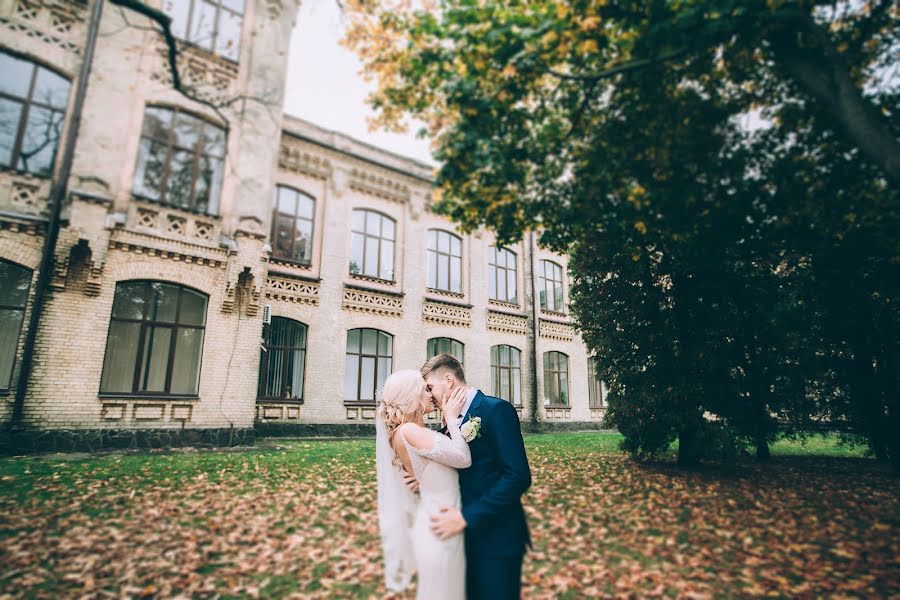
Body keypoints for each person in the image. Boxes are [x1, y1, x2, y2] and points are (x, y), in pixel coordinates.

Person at [422, 354, 532, 600]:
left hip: (497, 541)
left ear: (448, 380)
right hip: (459, 544)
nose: (430, 397)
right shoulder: (446, 426)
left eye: (430, 388)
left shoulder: (496, 410)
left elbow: (517, 476)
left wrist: (466, 517)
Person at [375, 369, 471, 600]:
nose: (431, 394)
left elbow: (429, 474)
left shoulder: (405, 432)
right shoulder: (409, 430)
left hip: (438, 522)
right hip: (441, 530)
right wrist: (451, 417)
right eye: (425, 389)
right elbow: (463, 458)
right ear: (412, 395)